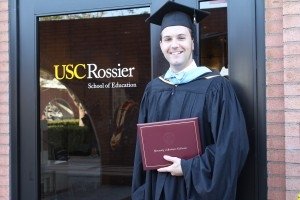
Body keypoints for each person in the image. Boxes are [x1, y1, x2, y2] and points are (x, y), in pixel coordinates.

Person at [131, 1, 249, 200]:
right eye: (167, 39)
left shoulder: (215, 87)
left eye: (181, 37)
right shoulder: (154, 89)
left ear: (193, 42)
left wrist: (188, 167)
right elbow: (141, 151)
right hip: (158, 188)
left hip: (195, 190)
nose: (174, 45)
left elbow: (232, 147)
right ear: (161, 45)